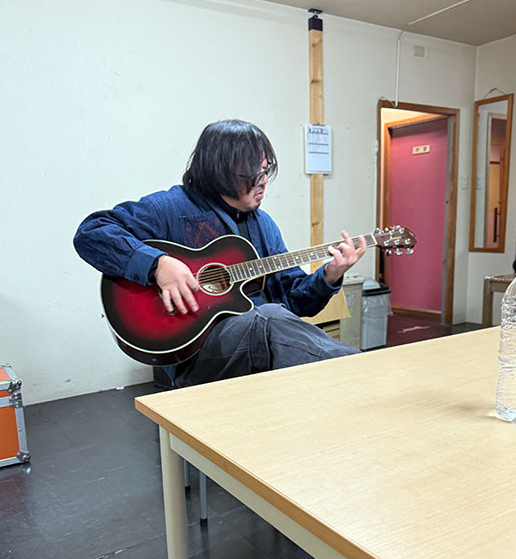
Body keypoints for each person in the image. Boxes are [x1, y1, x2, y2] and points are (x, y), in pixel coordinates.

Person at [73, 119, 366, 387]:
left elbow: (294, 301)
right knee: (268, 318)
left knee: (272, 318)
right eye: (254, 174)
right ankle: (362, 374)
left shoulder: (264, 225)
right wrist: (157, 265)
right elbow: (91, 233)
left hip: (261, 346)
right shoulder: (170, 208)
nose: (264, 181)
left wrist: (329, 275)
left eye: (265, 171)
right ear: (221, 171)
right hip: (197, 356)